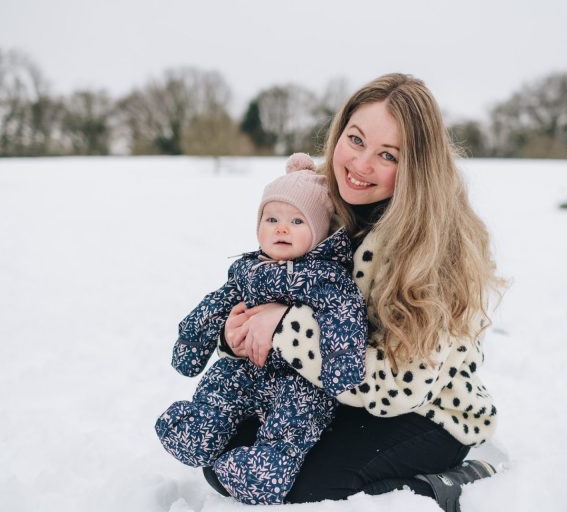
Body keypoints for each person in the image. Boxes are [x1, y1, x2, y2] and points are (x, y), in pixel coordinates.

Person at [210, 73, 503, 511]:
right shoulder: (322, 204)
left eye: (388, 155)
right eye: (356, 139)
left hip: (426, 413)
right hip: (337, 396)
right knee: (226, 455)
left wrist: (285, 329)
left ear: (416, 167)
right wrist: (242, 329)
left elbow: (400, 387)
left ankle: (446, 483)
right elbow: (273, 286)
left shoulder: (433, 244)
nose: (360, 164)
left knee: (295, 486)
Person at [155, 154, 368, 505]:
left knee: (295, 418)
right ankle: (200, 430)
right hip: (249, 367)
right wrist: (196, 340)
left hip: (299, 380)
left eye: (297, 221)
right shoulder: (248, 268)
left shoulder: (323, 275)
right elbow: (217, 304)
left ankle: (268, 467)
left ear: (318, 231)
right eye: (272, 219)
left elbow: (343, 313)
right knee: (220, 384)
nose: (281, 228)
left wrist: (340, 369)